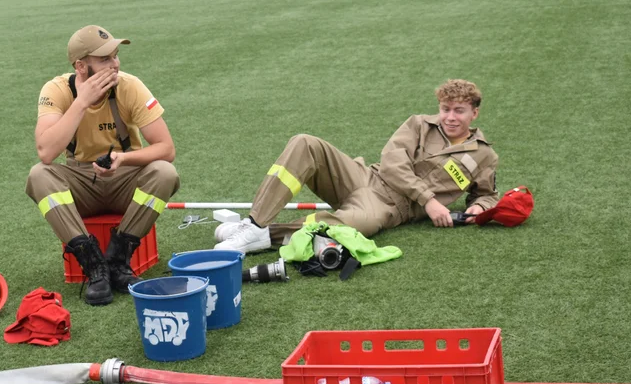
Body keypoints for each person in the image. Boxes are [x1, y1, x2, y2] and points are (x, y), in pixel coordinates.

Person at [215, 79, 499, 253]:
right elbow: (391, 164)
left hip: (390, 208)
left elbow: (486, 194)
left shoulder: (484, 155)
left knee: (353, 227)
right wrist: (429, 201)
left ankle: (262, 235)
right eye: (445, 109)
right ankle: (254, 223)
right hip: (366, 177)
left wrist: (480, 208)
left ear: (474, 113)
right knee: (305, 143)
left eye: (458, 111)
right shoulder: (418, 124)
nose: (450, 117)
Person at [26, 25, 179, 306]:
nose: (115, 64)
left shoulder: (130, 85)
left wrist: (123, 158)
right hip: (80, 180)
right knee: (39, 175)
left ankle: (118, 259)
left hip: (125, 177)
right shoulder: (57, 89)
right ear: (81, 66)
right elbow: (46, 152)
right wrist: (81, 102)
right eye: (105, 59)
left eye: (116, 56)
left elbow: (166, 149)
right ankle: (94, 265)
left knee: (165, 172)